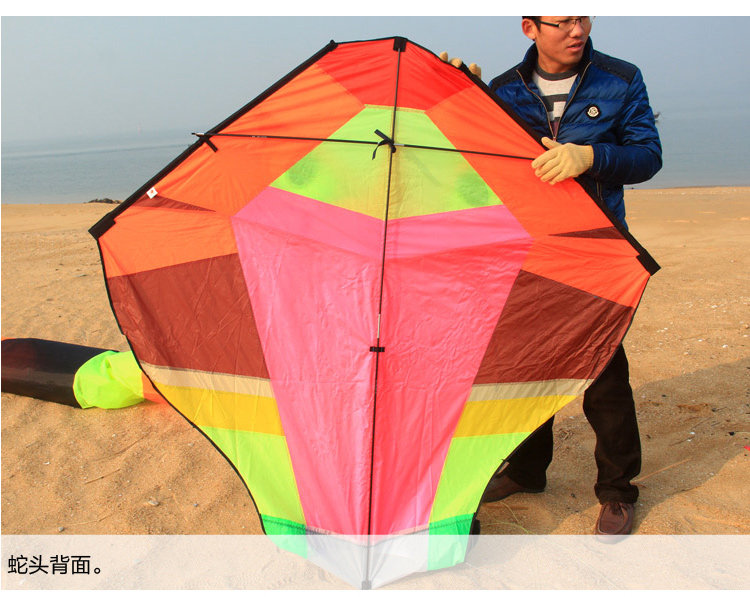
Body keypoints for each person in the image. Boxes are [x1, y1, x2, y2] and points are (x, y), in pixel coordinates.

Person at [442, 16, 662, 535]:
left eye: (582, 18)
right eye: (561, 22)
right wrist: (461, 99)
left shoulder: (620, 79)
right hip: (529, 252)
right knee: (526, 368)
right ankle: (527, 470)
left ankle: (617, 490)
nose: (576, 30)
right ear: (530, 28)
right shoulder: (504, 90)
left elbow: (647, 155)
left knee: (604, 375)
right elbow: (477, 168)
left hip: (596, 249)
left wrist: (591, 156)